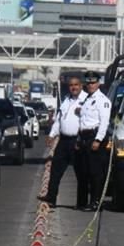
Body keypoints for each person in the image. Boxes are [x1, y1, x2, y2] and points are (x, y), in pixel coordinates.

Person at [41, 75, 87, 208]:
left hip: (77, 140)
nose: (73, 87)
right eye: (71, 85)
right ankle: (51, 198)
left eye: (76, 85)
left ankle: (82, 202)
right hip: (64, 140)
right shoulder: (66, 100)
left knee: (81, 173)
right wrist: (51, 135)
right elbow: (59, 120)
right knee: (55, 170)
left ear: (81, 85)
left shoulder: (86, 100)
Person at [76, 71, 111, 211]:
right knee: (85, 171)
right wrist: (79, 138)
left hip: (95, 137)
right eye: (88, 83)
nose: (90, 85)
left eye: (93, 82)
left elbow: (104, 123)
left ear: (98, 83)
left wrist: (98, 140)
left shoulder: (103, 101)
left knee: (95, 173)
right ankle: (85, 202)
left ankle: (96, 202)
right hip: (84, 137)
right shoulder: (87, 100)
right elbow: (83, 121)